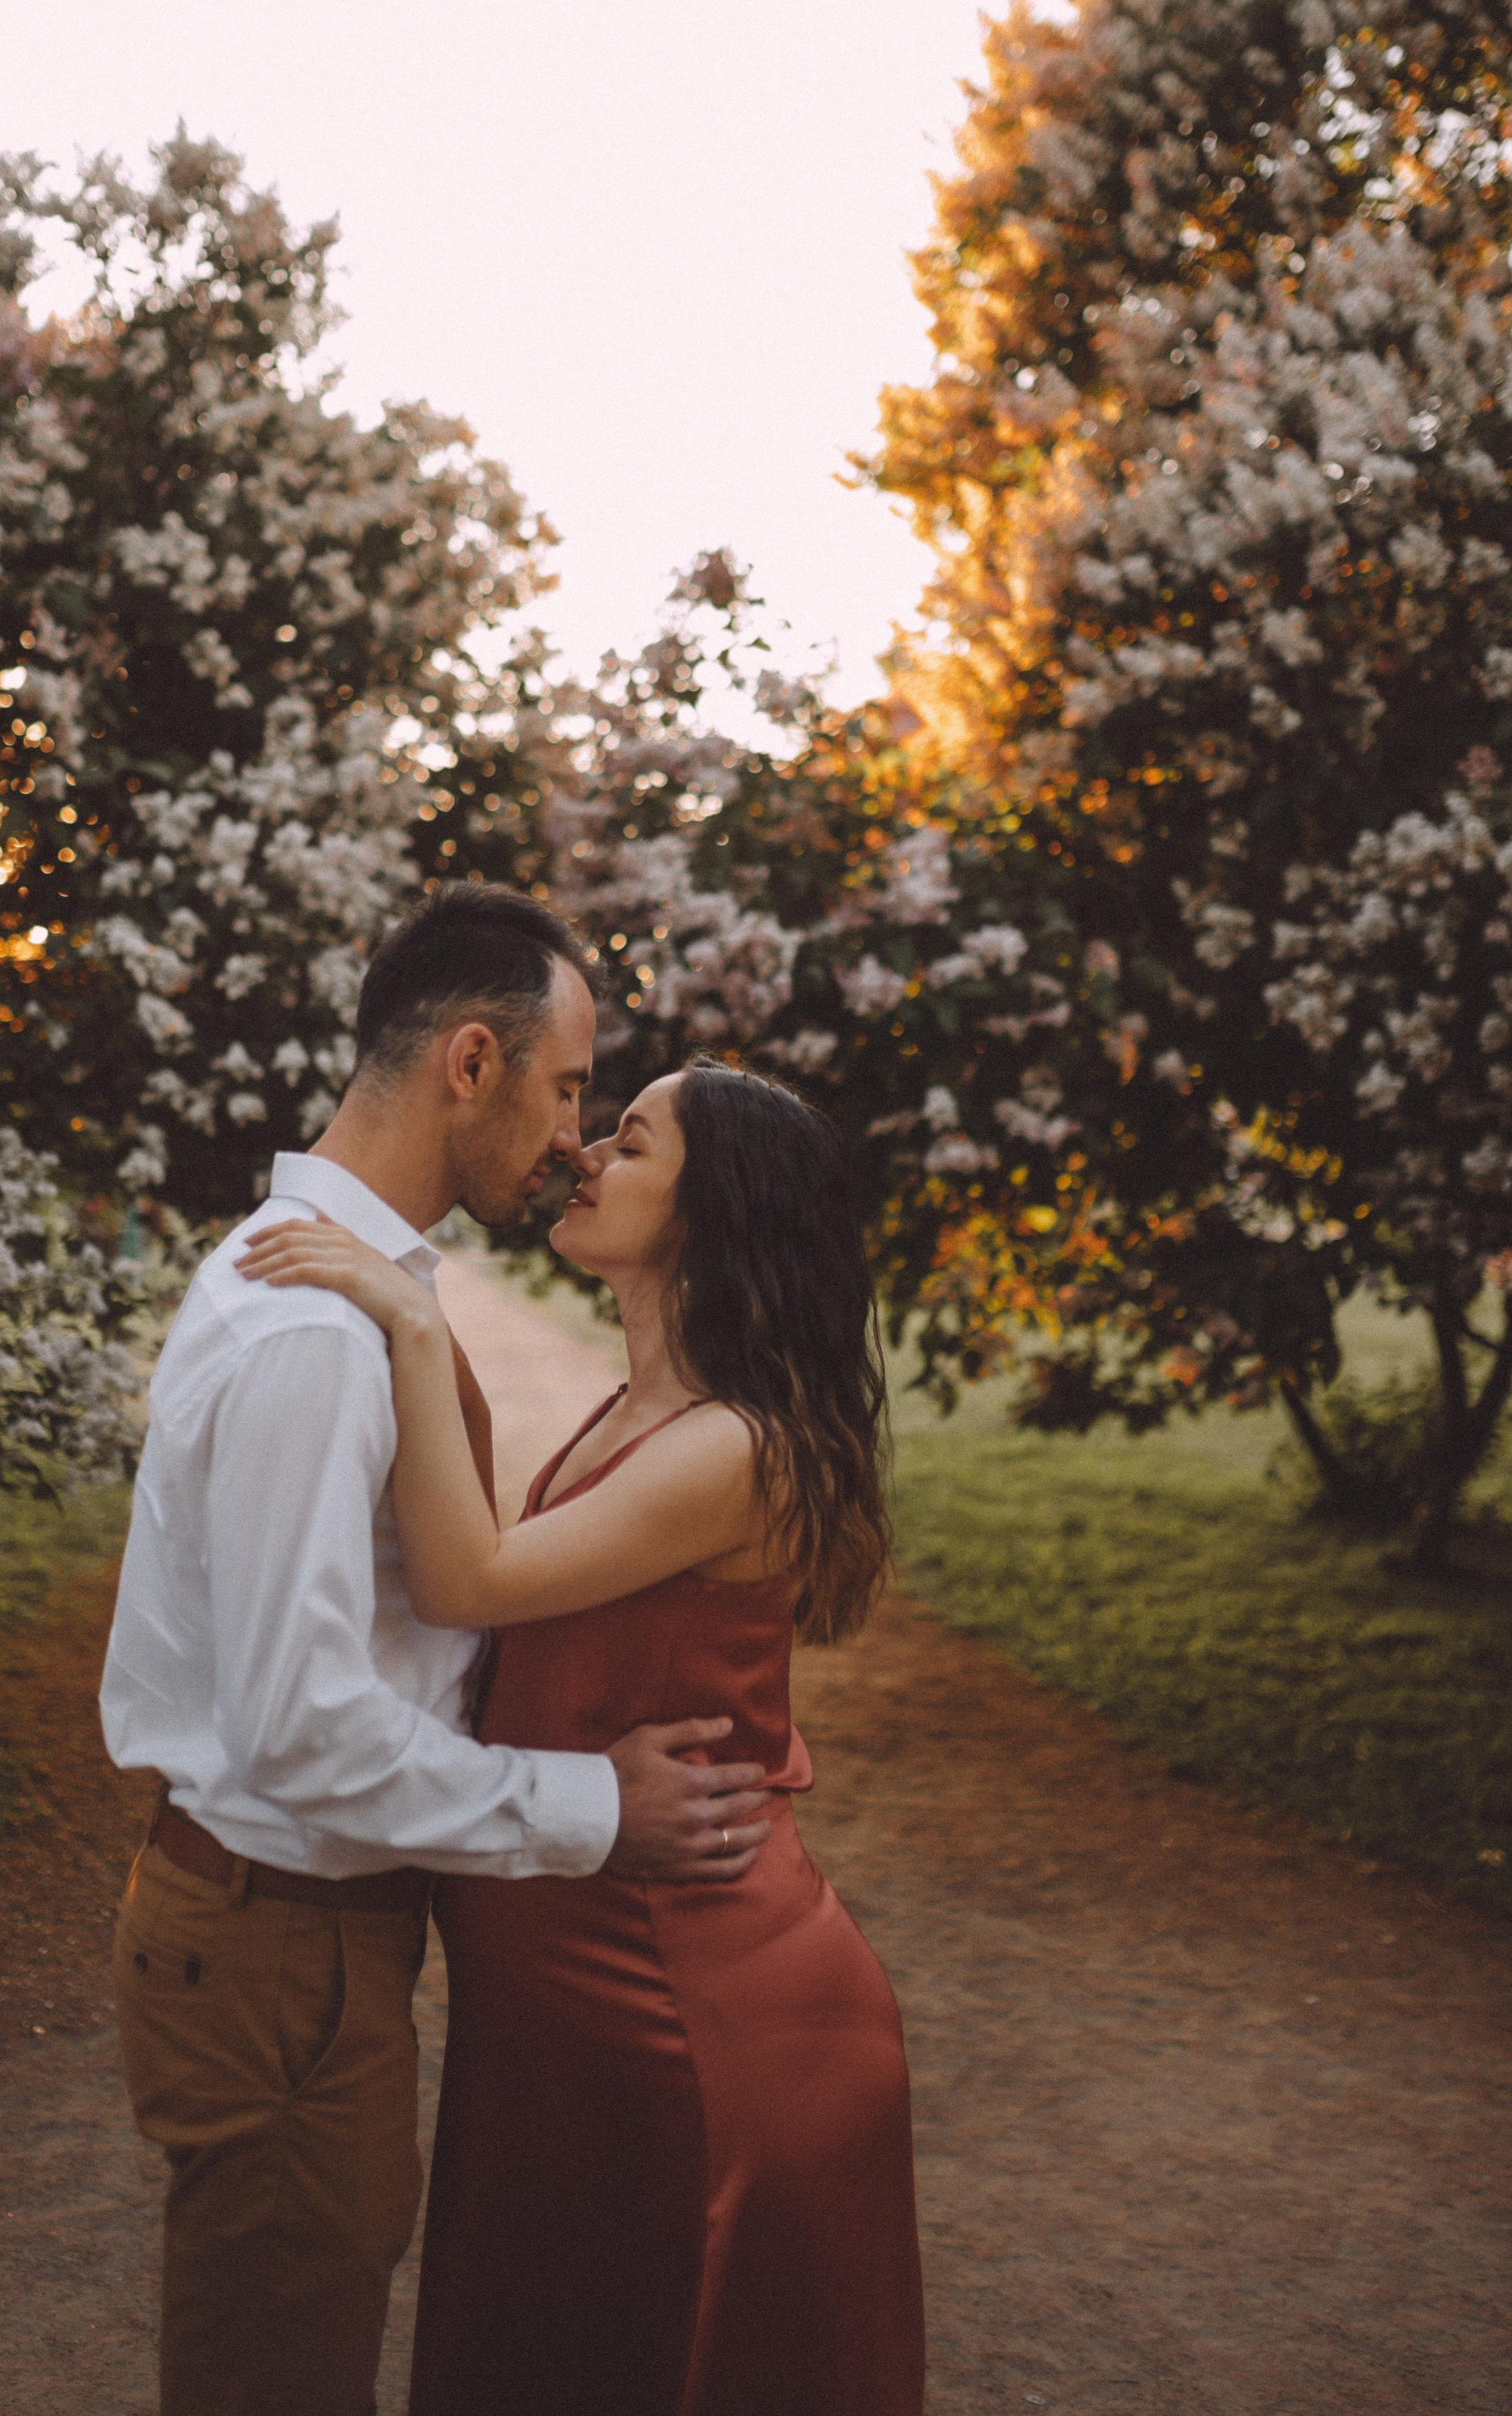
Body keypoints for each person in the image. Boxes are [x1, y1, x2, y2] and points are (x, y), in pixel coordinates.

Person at [100, 889, 772, 2416]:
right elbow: (303, 1729)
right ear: (472, 1063)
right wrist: (595, 1808)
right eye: (568, 1088)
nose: (573, 1139)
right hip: (281, 1944)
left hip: (300, 1934)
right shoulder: (315, 1330)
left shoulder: (348, 1286)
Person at [238, 1055, 926, 2416]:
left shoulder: (737, 1447)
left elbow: (469, 1580)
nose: (582, 1155)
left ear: (714, 1208)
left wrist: (415, 1320)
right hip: (569, 1999)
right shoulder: (639, 1410)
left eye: (632, 1141)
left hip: (690, 2007)